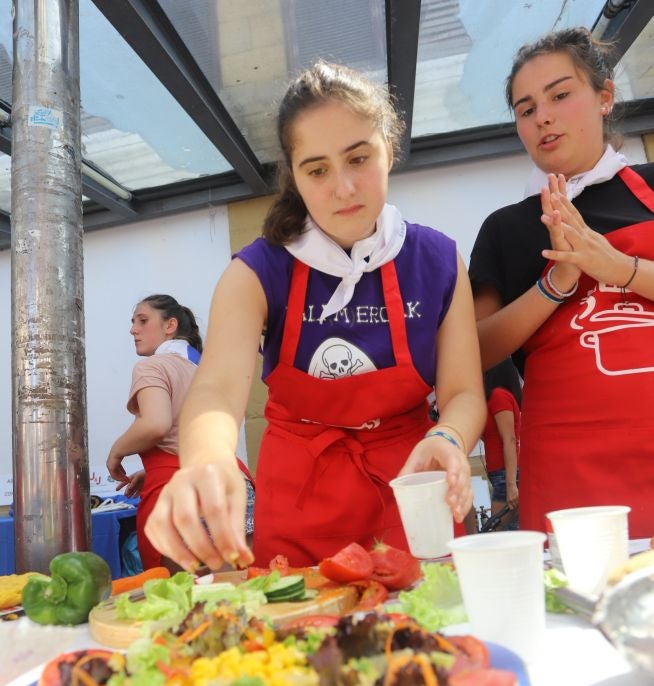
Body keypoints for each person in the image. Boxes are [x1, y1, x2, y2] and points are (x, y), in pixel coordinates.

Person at [145, 61, 486, 571]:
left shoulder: (438, 261)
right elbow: (216, 389)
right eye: (318, 169)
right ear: (295, 177)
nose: (344, 188)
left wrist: (447, 437)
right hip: (302, 495)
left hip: (414, 488)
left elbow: (463, 393)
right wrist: (207, 460)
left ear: (389, 150)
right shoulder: (256, 271)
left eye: (359, 158)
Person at [469, 27, 654, 537]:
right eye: (526, 109)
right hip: (571, 475)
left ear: (604, 97)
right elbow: (474, 351)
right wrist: (557, 282)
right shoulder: (506, 228)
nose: (543, 116)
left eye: (560, 95)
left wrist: (619, 268)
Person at [106, 294, 204, 570]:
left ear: (170, 325)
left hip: (180, 497)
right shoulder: (205, 368)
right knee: (236, 601)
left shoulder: (152, 366)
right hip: (229, 486)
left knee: (179, 604)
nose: (133, 329)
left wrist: (117, 451)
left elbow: (155, 425)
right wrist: (151, 471)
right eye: (133, 322)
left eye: (143, 320)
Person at [482, 359, 522, 527]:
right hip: (502, 473)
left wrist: (511, 484)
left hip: (505, 474)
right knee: (509, 530)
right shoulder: (497, 397)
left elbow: (509, 439)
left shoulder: (499, 396)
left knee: (496, 531)